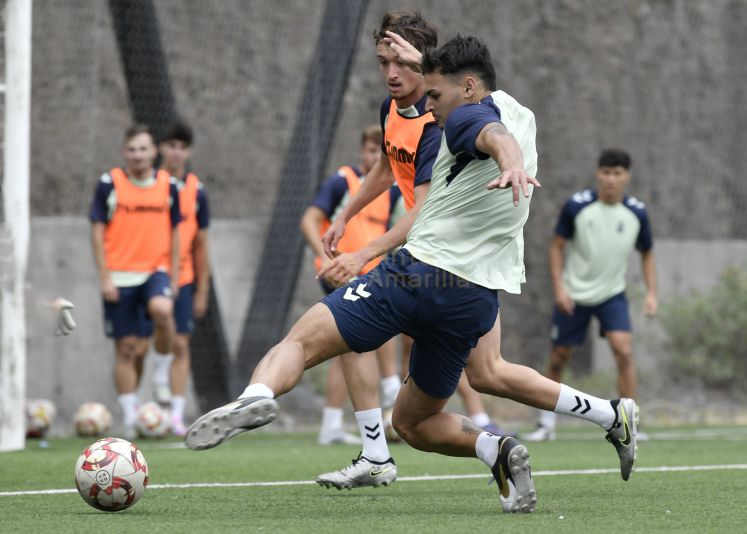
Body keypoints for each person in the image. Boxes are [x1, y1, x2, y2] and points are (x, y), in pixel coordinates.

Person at [186, 34, 638, 514]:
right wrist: (420, 65)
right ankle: (504, 447)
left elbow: (487, 132)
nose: (430, 106)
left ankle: (255, 396)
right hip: (472, 298)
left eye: (435, 96)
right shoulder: (518, 112)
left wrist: (510, 163)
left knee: (302, 339)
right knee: (416, 421)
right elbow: (479, 117)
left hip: (418, 275)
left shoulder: (466, 116)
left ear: (466, 88)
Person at [314, 12, 509, 490]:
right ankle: (379, 451)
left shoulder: (442, 124)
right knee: (352, 333)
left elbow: (423, 210)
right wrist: (346, 213)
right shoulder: (391, 109)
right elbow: (384, 168)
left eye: (398, 62)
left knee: (486, 371)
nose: (390, 73)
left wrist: (363, 255)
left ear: (423, 64)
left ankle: (598, 415)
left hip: (446, 257)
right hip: (422, 252)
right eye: (382, 63)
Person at [523, 149, 656, 442]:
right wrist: (559, 288)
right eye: (606, 173)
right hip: (574, 294)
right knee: (559, 357)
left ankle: (630, 421)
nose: (611, 179)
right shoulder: (577, 206)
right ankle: (546, 423)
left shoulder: (637, 212)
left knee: (623, 351)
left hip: (612, 295)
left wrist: (651, 294)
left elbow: (647, 252)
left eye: (617, 173)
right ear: (598, 173)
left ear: (626, 176)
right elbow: (556, 246)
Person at [299, 124, 404, 446]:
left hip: (371, 272)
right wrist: (325, 257)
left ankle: (331, 424)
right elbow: (308, 220)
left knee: (347, 346)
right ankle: (390, 388)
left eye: (380, 152)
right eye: (371, 150)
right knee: (368, 331)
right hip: (340, 272)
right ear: (361, 151)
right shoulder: (342, 181)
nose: (375, 157)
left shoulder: (393, 190)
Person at [89, 124, 181, 439]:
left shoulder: (168, 186)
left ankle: (160, 374)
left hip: (154, 271)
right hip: (119, 276)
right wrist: (104, 276)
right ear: (124, 152)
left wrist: (175, 273)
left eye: (143, 149)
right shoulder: (109, 184)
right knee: (129, 349)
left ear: (154, 151)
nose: (138, 155)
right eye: (132, 149)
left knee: (163, 309)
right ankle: (130, 416)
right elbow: (97, 231)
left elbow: (175, 231)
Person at [151, 121, 211, 436]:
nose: (176, 152)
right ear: (160, 148)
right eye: (170, 145)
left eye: (182, 146)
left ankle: (174, 416)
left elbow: (201, 244)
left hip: (183, 276)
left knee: (181, 344)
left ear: (188, 151)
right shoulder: (150, 184)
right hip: (146, 274)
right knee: (132, 346)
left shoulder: (196, 191)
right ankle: (138, 412)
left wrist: (202, 291)